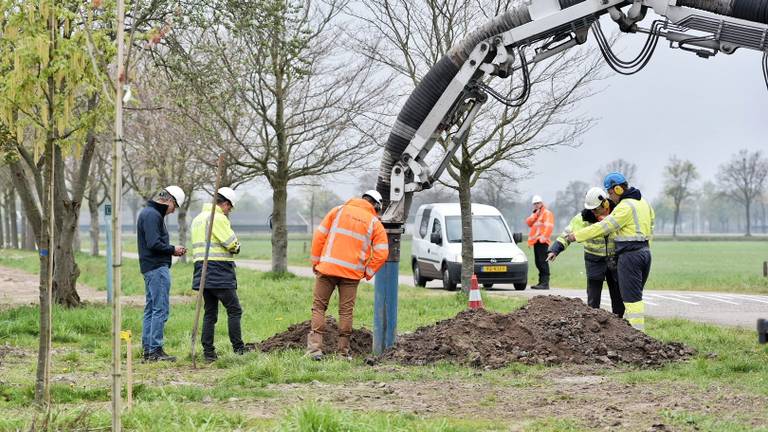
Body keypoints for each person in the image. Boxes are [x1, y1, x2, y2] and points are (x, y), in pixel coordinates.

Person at [306, 190, 389, 360]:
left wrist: (316, 262)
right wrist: (368, 272)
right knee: (345, 312)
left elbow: (319, 237)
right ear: (376, 206)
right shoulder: (374, 222)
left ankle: (315, 350)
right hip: (351, 275)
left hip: (327, 268)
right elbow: (382, 252)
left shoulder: (337, 211)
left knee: (319, 307)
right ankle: (343, 353)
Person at [567, 172, 655, 331]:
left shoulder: (624, 207)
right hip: (645, 252)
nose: (610, 197)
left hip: (630, 256)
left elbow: (603, 227)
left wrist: (577, 236)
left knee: (630, 299)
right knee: (636, 296)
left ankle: (637, 336)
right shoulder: (644, 203)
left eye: (610, 192)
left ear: (619, 190)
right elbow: (652, 224)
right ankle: (632, 333)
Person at [191, 187, 248, 362]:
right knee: (234, 310)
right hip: (219, 271)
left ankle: (208, 353)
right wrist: (237, 246)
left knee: (210, 312)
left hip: (202, 270)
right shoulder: (218, 218)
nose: (229, 211)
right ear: (225, 203)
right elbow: (232, 244)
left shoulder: (198, 219)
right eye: (230, 207)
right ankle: (239, 349)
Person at [547, 187, 624, 316]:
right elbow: (566, 234)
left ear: (605, 203)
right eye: (591, 209)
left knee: (618, 297)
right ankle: (593, 327)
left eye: (595, 209)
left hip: (614, 260)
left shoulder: (618, 213)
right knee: (593, 300)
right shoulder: (583, 218)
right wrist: (555, 250)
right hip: (594, 260)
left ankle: (619, 324)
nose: (593, 212)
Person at [137, 186, 187, 362]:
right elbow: (153, 243)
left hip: (151, 268)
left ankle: (148, 349)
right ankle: (155, 351)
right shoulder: (153, 215)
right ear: (170, 201)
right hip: (157, 268)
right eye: (175, 207)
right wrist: (173, 249)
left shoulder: (148, 213)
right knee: (160, 309)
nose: (173, 211)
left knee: (151, 309)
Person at [525, 195, 555, 290]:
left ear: (541, 203)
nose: (536, 205)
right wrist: (535, 214)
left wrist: (543, 238)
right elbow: (529, 223)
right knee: (538, 262)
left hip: (542, 241)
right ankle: (541, 282)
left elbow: (549, 226)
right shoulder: (536, 214)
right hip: (536, 241)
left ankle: (545, 283)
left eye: (538, 203)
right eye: (535, 204)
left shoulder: (547, 213)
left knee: (542, 262)